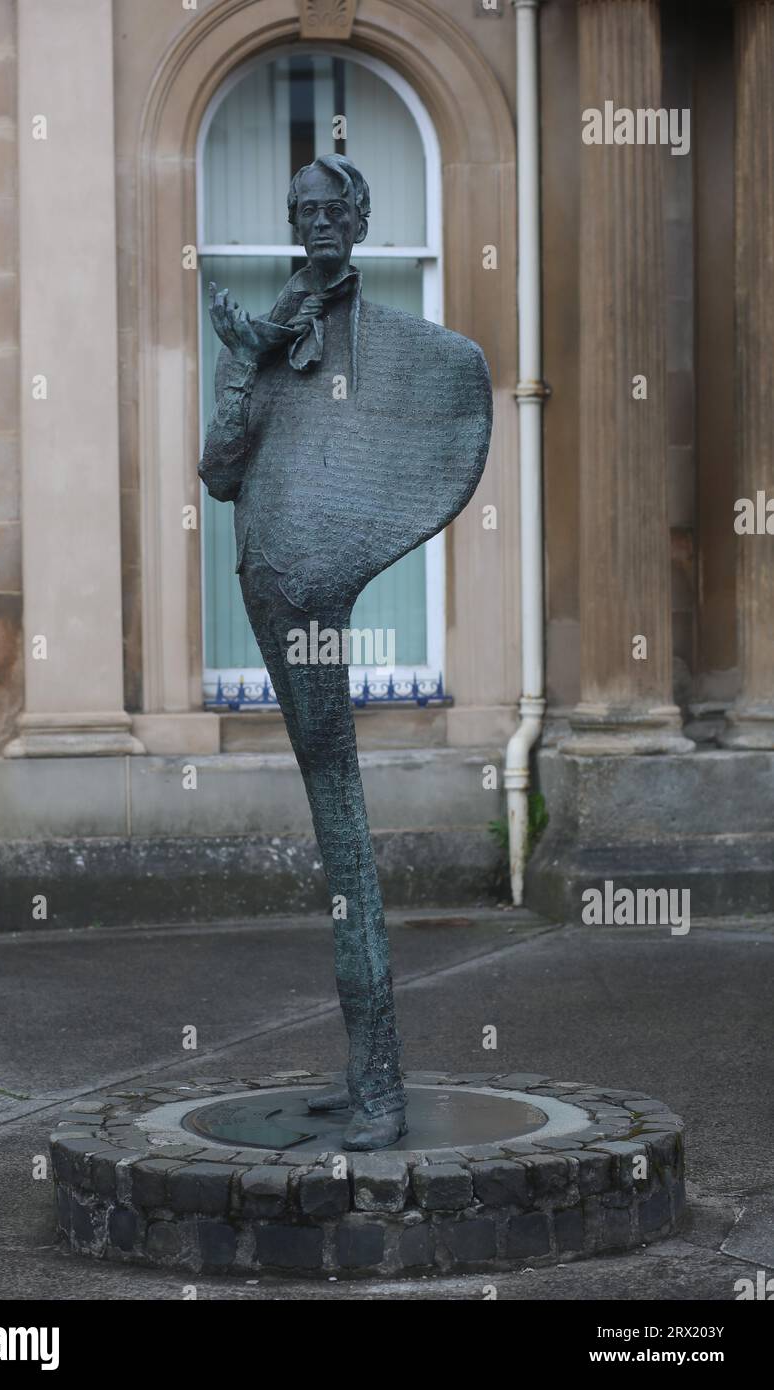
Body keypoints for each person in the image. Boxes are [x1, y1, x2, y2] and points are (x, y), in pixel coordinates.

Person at [199, 155, 491, 1149]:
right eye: (302, 211)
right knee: (335, 820)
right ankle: (367, 1069)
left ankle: (379, 1082)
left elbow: (427, 418)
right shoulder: (275, 330)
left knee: (340, 820)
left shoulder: (390, 343)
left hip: (319, 584)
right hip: (267, 581)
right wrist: (242, 361)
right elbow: (219, 467)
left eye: (332, 209)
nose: (318, 223)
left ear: (360, 220)